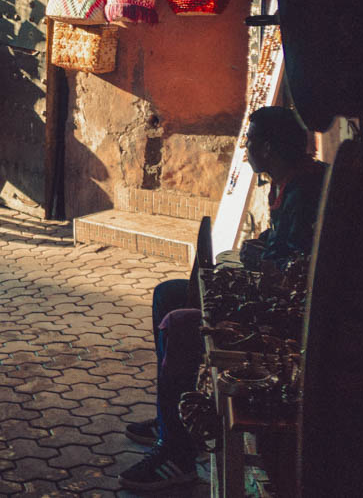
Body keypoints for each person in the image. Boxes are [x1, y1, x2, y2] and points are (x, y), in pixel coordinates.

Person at [117, 106, 327, 491]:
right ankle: (174, 419)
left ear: (267, 148)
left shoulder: (305, 191)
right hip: (279, 302)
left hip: (293, 320)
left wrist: (260, 259)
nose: (245, 147)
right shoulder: (292, 182)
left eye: (250, 140)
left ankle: (178, 454)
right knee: (169, 294)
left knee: (181, 325)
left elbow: (299, 271)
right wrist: (263, 246)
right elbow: (289, 246)